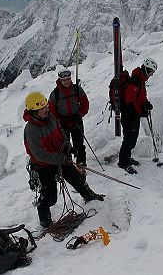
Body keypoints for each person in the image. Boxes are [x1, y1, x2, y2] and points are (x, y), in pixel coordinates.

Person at [23, 91, 104, 228]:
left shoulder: (50, 118)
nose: (46, 110)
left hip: (60, 157)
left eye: (46, 107)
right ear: (33, 112)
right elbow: (39, 154)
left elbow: (61, 133)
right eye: (42, 109)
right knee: (49, 196)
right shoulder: (31, 130)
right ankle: (45, 220)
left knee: (76, 178)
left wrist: (68, 147)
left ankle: (89, 195)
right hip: (43, 166)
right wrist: (60, 158)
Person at [118, 58, 158, 174]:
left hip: (133, 114)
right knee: (129, 139)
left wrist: (146, 104)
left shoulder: (140, 80)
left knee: (132, 139)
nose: (151, 75)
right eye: (151, 72)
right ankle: (123, 163)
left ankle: (126, 158)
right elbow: (130, 101)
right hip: (129, 114)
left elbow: (140, 97)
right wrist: (140, 111)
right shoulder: (135, 82)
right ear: (146, 69)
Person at [48, 68, 89, 167]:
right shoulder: (55, 93)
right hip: (62, 122)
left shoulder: (77, 89)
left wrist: (79, 115)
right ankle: (67, 163)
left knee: (79, 143)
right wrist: (59, 119)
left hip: (76, 120)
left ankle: (81, 163)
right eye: (64, 80)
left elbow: (85, 103)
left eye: (68, 79)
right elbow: (51, 110)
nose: (66, 82)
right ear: (60, 80)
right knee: (64, 145)